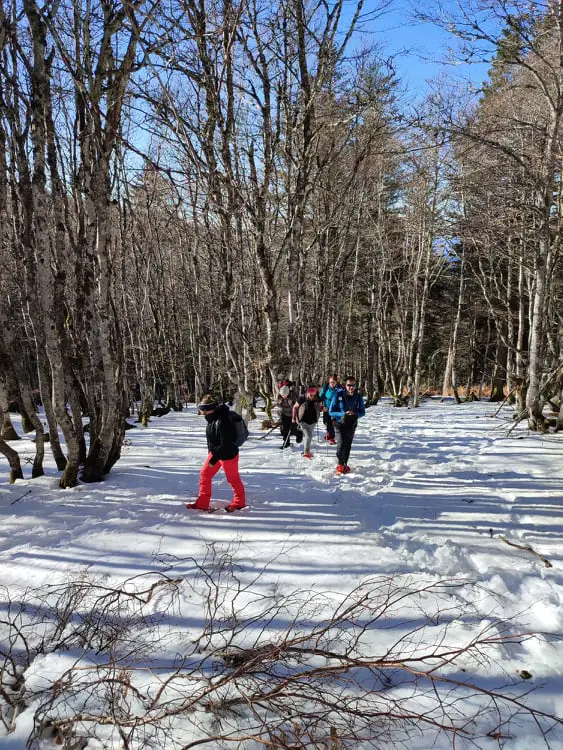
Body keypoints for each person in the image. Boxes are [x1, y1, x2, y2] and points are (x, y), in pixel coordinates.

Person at [186, 395, 246, 512]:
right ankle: (202, 503)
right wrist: (212, 454)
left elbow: (226, 444)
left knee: (233, 479)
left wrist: (214, 459)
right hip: (216, 453)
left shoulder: (223, 421)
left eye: (205, 409)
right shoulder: (212, 418)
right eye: (201, 409)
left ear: (213, 408)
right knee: (205, 474)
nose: (203, 413)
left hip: (228, 455)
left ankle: (239, 502)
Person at [328, 376, 365, 474]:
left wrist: (355, 414)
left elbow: (363, 412)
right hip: (338, 423)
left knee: (348, 444)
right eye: (349, 385)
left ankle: (345, 463)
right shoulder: (338, 395)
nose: (351, 387)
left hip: (351, 423)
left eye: (353, 385)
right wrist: (343, 414)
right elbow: (331, 411)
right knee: (341, 442)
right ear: (345, 385)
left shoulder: (358, 397)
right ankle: (340, 464)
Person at [292, 386, 321, 458]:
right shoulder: (302, 398)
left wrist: (323, 408)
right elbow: (295, 407)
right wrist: (293, 417)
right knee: (309, 436)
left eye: (314, 395)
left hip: (313, 421)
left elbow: (321, 406)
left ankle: (302, 435)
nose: (312, 397)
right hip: (303, 420)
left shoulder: (317, 398)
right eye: (311, 395)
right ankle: (306, 452)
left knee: (308, 436)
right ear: (307, 393)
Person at [277, 382, 300, 448]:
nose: (284, 396)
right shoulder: (280, 396)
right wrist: (280, 403)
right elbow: (278, 406)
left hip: (292, 415)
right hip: (284, 415)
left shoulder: (292, 396)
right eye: (283, 395)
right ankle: (286, 443)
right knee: (285, 430)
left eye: (285, 395)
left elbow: (296, 407)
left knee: (292, 429)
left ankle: (298, 433)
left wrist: (291, 404)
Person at [319, 374, 339, 445]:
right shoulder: (325, 388)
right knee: (325, 422)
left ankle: (331, 437)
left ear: (336, 382)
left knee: (331, 423)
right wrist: (321, 406)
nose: (332, 384)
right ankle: (329, 433)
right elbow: (320, 398)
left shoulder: (339, 389)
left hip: (335, 409)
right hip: (326, 408)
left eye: (333, 382)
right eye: (331, 382)